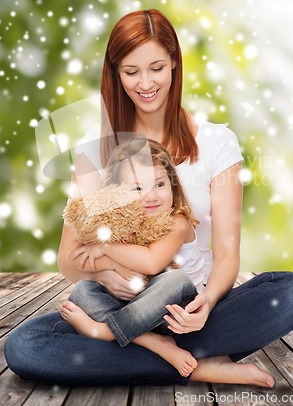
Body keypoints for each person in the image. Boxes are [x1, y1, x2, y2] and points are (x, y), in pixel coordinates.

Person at [4, 9, 293, 387]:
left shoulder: (218, 143)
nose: (145, 83)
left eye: (156, 68)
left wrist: (208, 304)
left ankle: (143, 350)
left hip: (190, 307)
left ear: (174, 65)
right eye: (131, 72)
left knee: (292, 291)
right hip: (120, 305)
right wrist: (105, 275)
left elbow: (228, 254)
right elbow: (69, 260)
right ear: (115, 74)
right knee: (26, 346)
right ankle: (194, 363)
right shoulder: (93, 148)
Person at [61, 138, 204, 377]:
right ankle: (150, 342)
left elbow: (151, 264)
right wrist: (106, 266)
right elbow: (78, 259)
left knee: (175, 279)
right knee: (81, 291)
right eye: (137, 188)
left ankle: (106, 332)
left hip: (176, 314)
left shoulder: (177, 222)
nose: (151, 196)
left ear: (173, 186)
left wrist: (105, 248)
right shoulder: (122, 224)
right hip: (136, 314)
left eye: (159, 184)